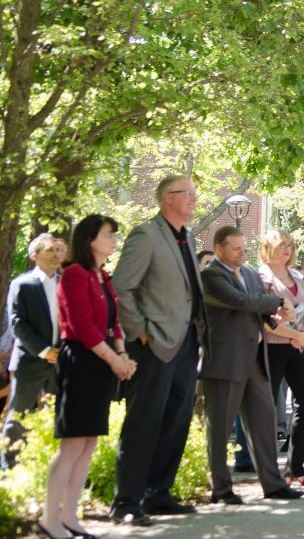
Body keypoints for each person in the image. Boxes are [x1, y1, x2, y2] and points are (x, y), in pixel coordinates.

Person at [110, 175, 206, 525]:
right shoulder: (146, 235)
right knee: (143, 423)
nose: (195, 199)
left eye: (195, 193)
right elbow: (121, 289)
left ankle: (157, 493)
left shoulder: (188, 236)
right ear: (168, 197)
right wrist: (143, 334)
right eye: (189, 193)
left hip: (186, 343)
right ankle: (126, 503)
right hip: (153, 345)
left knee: (176, 420)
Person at [40, 215, 137, 539]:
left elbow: (115, 323)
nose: (114, 240)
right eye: (109, 234)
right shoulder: (74, 274)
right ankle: (49, 518)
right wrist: (114, 360)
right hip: (81, 361)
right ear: (91, 238)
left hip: (101, 361)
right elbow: (82, 327)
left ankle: (69, 515)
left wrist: (122, 356)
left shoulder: (102, 276)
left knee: (88, 443)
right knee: (72, 444)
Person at [199, 226, 304, 504]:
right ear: (219, 248)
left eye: (243, 248)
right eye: (235, 248)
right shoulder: (210, 275)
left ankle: (273, 484)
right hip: (224, 361)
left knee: (263, 422)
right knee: (219, 428)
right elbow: (241, 301)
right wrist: (278, 302)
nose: (241, 254)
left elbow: (261, 312)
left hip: (255, 360)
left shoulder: (248, 273)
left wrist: (277, 318)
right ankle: (221, 489)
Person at [258, 229, 304, 486]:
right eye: (282, 244)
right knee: (266, 407)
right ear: (268, 246)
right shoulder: (261, 276)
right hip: (271, 347)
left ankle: (296, 468)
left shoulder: (296, 276)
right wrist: (295, 334)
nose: (287, 249)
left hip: (297, 346)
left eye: (290, 245)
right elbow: (264, 320)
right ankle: (267, 470)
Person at [2, 233, 62, 469]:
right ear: (34, 255)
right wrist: (44, 350)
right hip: (30, 361)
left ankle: (47, 466)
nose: (56, 254)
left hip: (59, 361)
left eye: (58, 250)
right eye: (50, 250)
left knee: (56, 415)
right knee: (19, 415)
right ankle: (8, 468)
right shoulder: (22, 284)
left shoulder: (65, 283)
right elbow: (17, 323)